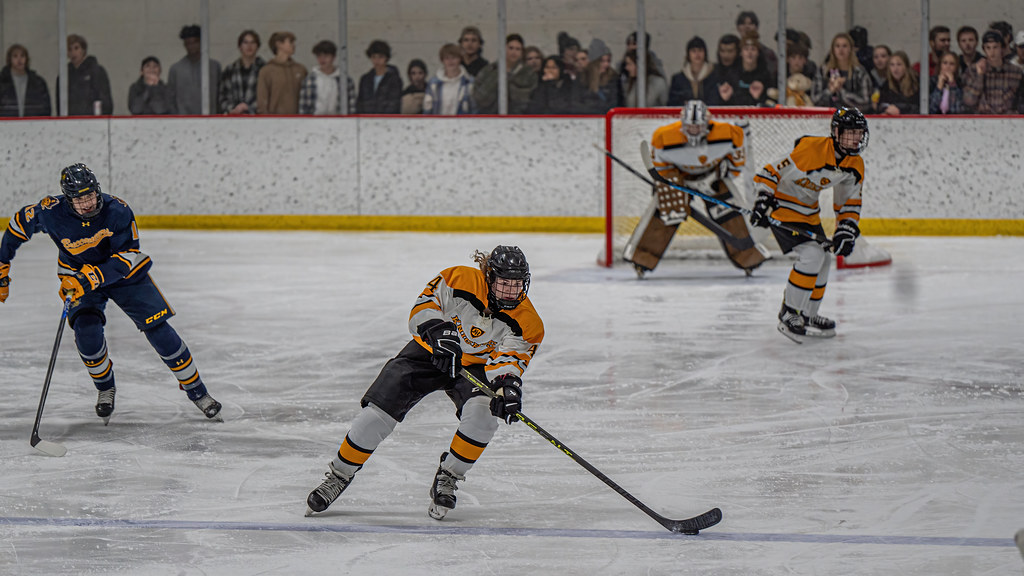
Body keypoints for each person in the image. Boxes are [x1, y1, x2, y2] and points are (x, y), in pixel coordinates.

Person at [305, 246, 543, 521]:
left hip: (476, 367)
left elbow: (510, 360)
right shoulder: (458, 279)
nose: (510, 292)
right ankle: (338, 476)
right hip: (429, 352)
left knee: (484, 416)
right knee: (376, 415)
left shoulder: (528, 322)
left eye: (516, 285)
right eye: (504, 283)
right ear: (488, 277)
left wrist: (506, 389)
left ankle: (449, 476)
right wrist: (438, 332)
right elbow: (424, 306)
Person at [0, 164, 221, 421]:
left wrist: (89, 278)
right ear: (67, 199)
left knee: (159, 329)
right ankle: (105, 389)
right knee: (86, 334)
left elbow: (126, 257)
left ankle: (198, 392)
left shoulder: (117, 210)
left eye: (90, 195)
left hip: (123, 276)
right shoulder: (51, 211)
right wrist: (2, 265)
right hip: (77, 275)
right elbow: (18, 225)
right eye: (79, 199)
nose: (87, 204)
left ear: (97, 190)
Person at [750, 107, 868, 342]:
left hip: (809, 214)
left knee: (824, 258)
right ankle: (789, 312)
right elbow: (771, 171)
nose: (856, 138)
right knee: (812, 255)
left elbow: (849, 202)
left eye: (859, 133)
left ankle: (808, 314)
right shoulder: (811, 150)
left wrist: (846, 229)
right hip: (782, 207)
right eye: (850, 133)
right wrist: (763, 199)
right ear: (836, 132)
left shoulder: (854, 165)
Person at [624, 99, 768, 278]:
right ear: (682, 123)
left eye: (698, 126)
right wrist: (671, 183)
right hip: (679, 179)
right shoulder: (663, 137)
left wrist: (722, 173)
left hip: (713, 177)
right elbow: (661, 168)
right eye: (690, 126)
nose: (693, 130)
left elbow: (737, 161)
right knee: (666, 213)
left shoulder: (729, 134)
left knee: (730, 214)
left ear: (707, 123)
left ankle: (748, 258)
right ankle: (642, 261)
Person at [472, 33, 538, 114]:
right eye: (511, 48)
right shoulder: (489, 70)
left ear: (522, 52)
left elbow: (529, 100)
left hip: (519, 117)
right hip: (489, 117)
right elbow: (478, 97)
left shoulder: (528, 73)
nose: (514, 52)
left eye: (518, 49)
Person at [962, 30, 1024, 114]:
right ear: (984, 49)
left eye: (995, 47)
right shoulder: (972, 70)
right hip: (982, 117)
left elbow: (1021, 100)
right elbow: (969, 101)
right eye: (988, 48)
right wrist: (980, 76)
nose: (992, 52)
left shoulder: (1016, 72)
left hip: (1008, 117)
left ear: (1002, 48)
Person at [167, 25, 221, 114]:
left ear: (201, 42)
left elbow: (220, 95)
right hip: (183, 119)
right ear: (184, 45)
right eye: (188, 43)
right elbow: (170, 99)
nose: (191, 46)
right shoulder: (176, 69)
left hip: (210, 118)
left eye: (195, 42)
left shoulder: (214, 67)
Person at [812, 32, 872, 109]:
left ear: (851, 49)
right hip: (828, 114)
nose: (841, 49)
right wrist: (830, 90)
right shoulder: (823, 71)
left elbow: (865, 102)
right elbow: (815, 100)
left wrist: (841, 91)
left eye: (844, 46)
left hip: (852, 114)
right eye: (837, 46)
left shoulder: (859, 72)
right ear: (833, 50)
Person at [58, 34, 112, 116]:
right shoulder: (64, 75)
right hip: (71, 121)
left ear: (83, 50)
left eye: (76, 48)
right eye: (69, 49)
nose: (73, 52)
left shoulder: (96, 71)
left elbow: (105, 102)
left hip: (92, 121)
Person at [299, 40, 356, 115]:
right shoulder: (310, 80)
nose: (322, 59)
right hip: (314, 120)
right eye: (319, 56)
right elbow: (303, 106)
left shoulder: (345, 80)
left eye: (326, 56)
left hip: (338, 120)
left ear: (333, 57)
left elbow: (351, 106)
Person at [257, 31, 307, 115]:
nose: (293, 45)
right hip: (274, 120)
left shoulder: (300, 70)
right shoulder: (267, 71)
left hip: (298, 120)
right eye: (290, 42)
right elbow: (262, 100)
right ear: (279, 44)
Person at [219, 30, 265, 115]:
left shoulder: (265, 69)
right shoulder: (230, 70)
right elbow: (222, 96)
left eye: (253, 42)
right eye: (245, 43)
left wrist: (249, 108)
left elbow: (268, 97)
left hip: (258, 118)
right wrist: (233, 109)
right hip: (234, 117)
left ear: (257, 46)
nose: (249, 46)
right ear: (240, 46)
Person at [423, 43, 475, 115]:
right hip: (438, 121)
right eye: (447, 58)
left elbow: (474, 108)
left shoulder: (469, 82)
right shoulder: (433, 84)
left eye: (454, 57)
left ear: (460, 59)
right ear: (442, 60)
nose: (450, 61)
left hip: (462, 121)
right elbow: (427, 108)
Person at [0, 44, 51, 117]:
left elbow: (45, 108)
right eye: (15, 56)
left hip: (33, 122)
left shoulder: (38, 82)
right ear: (9, 59)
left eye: (22, 56)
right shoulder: (2, 82)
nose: (19, 60)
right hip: (6, 122)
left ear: (26, 59)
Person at [355, 40, 402, 114]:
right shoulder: (365, 79)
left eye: (380, 57)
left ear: (386, 58)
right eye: (374, 57)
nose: (377, 60)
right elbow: (360, 103)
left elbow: (394, 104)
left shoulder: (394, 79)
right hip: (366, 119)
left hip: (387, 119)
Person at [667, 36, 716, 105]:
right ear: (688, 54)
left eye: (700, 50)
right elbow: (672, 103)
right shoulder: (678, 79)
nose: (697, 54)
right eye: (694, 51)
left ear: (705, 53)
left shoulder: (714, 77)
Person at [733, 31, 776, 106]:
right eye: (746, 49)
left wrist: (758, 98)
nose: (749, 52)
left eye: (753, 49)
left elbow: (771, 102)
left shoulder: (765, 76)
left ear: (758, 53)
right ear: (741, 53)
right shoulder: (733, 74)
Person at [579, 38, 620, 113]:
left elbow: (615, 102)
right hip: (587, 117)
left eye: (608, 61)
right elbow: (577, 102)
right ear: (594, 62)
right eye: (602, 61)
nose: (606, 64)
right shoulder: (582, 77)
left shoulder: (613, 78)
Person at [876, 50, 919, 115]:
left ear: (906, 66)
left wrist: (900, 110)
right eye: (892, 65)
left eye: (899, 64)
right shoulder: (886, 85)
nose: (895, 69)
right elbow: (880, 106)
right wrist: (886, 109)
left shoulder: (916, 83)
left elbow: (919, 108)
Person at [707, 34, 742, 105]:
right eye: (722, 51)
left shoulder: (744, 72)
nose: (726, 55)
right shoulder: (712, 71)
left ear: (738, 52)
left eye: (730, 51)